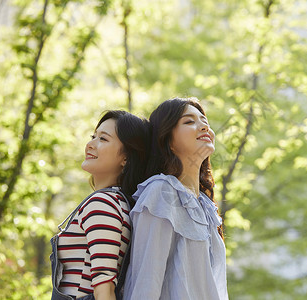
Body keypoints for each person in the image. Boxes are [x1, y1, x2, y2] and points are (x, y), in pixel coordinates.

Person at [124, 98, 228, 300]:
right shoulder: (161, 192)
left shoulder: (206, 206)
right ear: (168, 141)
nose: (204, 126)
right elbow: (147, 279)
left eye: (204, 121)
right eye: (189, 122)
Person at [50, 110, 151, 300]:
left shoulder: (103, 203)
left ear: (126, 158)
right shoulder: (118, 202)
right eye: (93, 136)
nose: (90, 144)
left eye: (103, 139)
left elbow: (104, 285)